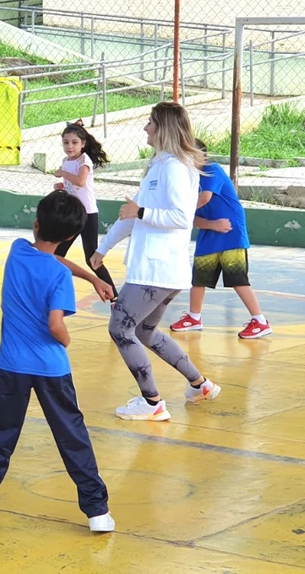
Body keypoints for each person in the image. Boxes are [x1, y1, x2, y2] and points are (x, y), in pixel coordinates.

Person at [0, 190, 114, 538]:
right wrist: (68, 336)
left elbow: (51, 259)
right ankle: (97, 511)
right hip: (53, 369)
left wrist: (90, 277)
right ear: (71, 237)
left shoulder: (17, 250)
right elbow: (56, 323)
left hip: (13, 366)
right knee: (72, 437)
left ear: (36, 224)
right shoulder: (57, 277)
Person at [91, 102, 222, 422]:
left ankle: (151, 402)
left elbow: (180, 217)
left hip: (156, 269)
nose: (145, 128)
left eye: (150, 122)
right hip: (161, 269)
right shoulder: (160, 167)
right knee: (146, 331)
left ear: (163, 128)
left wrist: (141, 212)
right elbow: (134, 215)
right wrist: (103, 248)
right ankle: (200, 384)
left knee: (121, 328)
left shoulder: (175, 167)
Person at [170, 138, 271, 339]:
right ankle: (194, 317)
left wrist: (177, 210)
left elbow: (205, 198)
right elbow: (191, 219)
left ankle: (260, 321)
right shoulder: (187, 180)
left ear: (201, 156)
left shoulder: (211, 170)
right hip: (211, 230)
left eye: (189, 154)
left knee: (237, 278)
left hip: (229, 230)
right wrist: (211, 225)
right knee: (199, 277)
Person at [52, 121, 116, 296]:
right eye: (66, 142)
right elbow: (75, 186)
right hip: (73, 213)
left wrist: (63, 174)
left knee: (91, 258)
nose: (70, 146)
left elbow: (80, 181)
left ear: (83, 144)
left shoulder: (84, 160)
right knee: (58, 253)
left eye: (74, 142)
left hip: (87, 214)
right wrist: (62, 185)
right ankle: (53, 290)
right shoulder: (66, 161)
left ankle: (112, 294)